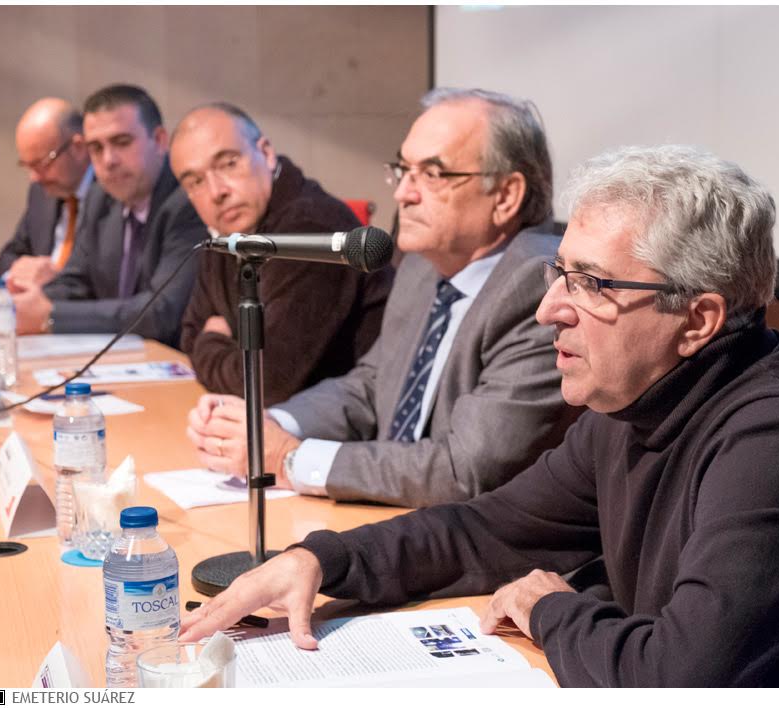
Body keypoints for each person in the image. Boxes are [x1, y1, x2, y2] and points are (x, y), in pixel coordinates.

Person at [180, 145, 779, 687]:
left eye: (592, 284)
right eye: (560, 274)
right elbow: (491, 529)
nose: (550, 309)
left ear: (698, 319)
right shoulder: (636, 397)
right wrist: (323, 560)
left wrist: (552, 608)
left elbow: (678, 680)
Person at [185, 88, 579, 507]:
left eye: (432, 174)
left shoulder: (540, 287)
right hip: (399, 516)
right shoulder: (420, 267)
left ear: (505, 196)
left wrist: (288, 458)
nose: (403, 193)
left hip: (477, 533)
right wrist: (267, 425)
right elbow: (371, 385)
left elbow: (464, 470)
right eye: (404, 170)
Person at [169, 103, 392, 400]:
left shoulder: (310, 227)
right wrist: (214, 345)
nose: (216, 192)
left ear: (266, 153)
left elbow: (267, 381)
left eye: (228, 164)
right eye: (196, 181)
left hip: (344, 419)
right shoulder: (227, 231)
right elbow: (189, 334)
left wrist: (211, 340)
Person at [12, 85, 205, 347]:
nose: (108, 160)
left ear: (160, 140)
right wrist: (28, 301)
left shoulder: (188, 201)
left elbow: (161, 312)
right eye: (96, 148)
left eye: (122, 142)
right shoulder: (99, 197)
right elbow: (75, 283)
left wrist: (51, 314)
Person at [0, 97, 94, 288]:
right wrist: (22, 271)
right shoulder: (41, 192)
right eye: (27, 165)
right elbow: (6, 258)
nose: (34, 177)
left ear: (78, 148)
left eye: (41, 164)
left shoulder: (112, 195)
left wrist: (56, 280)